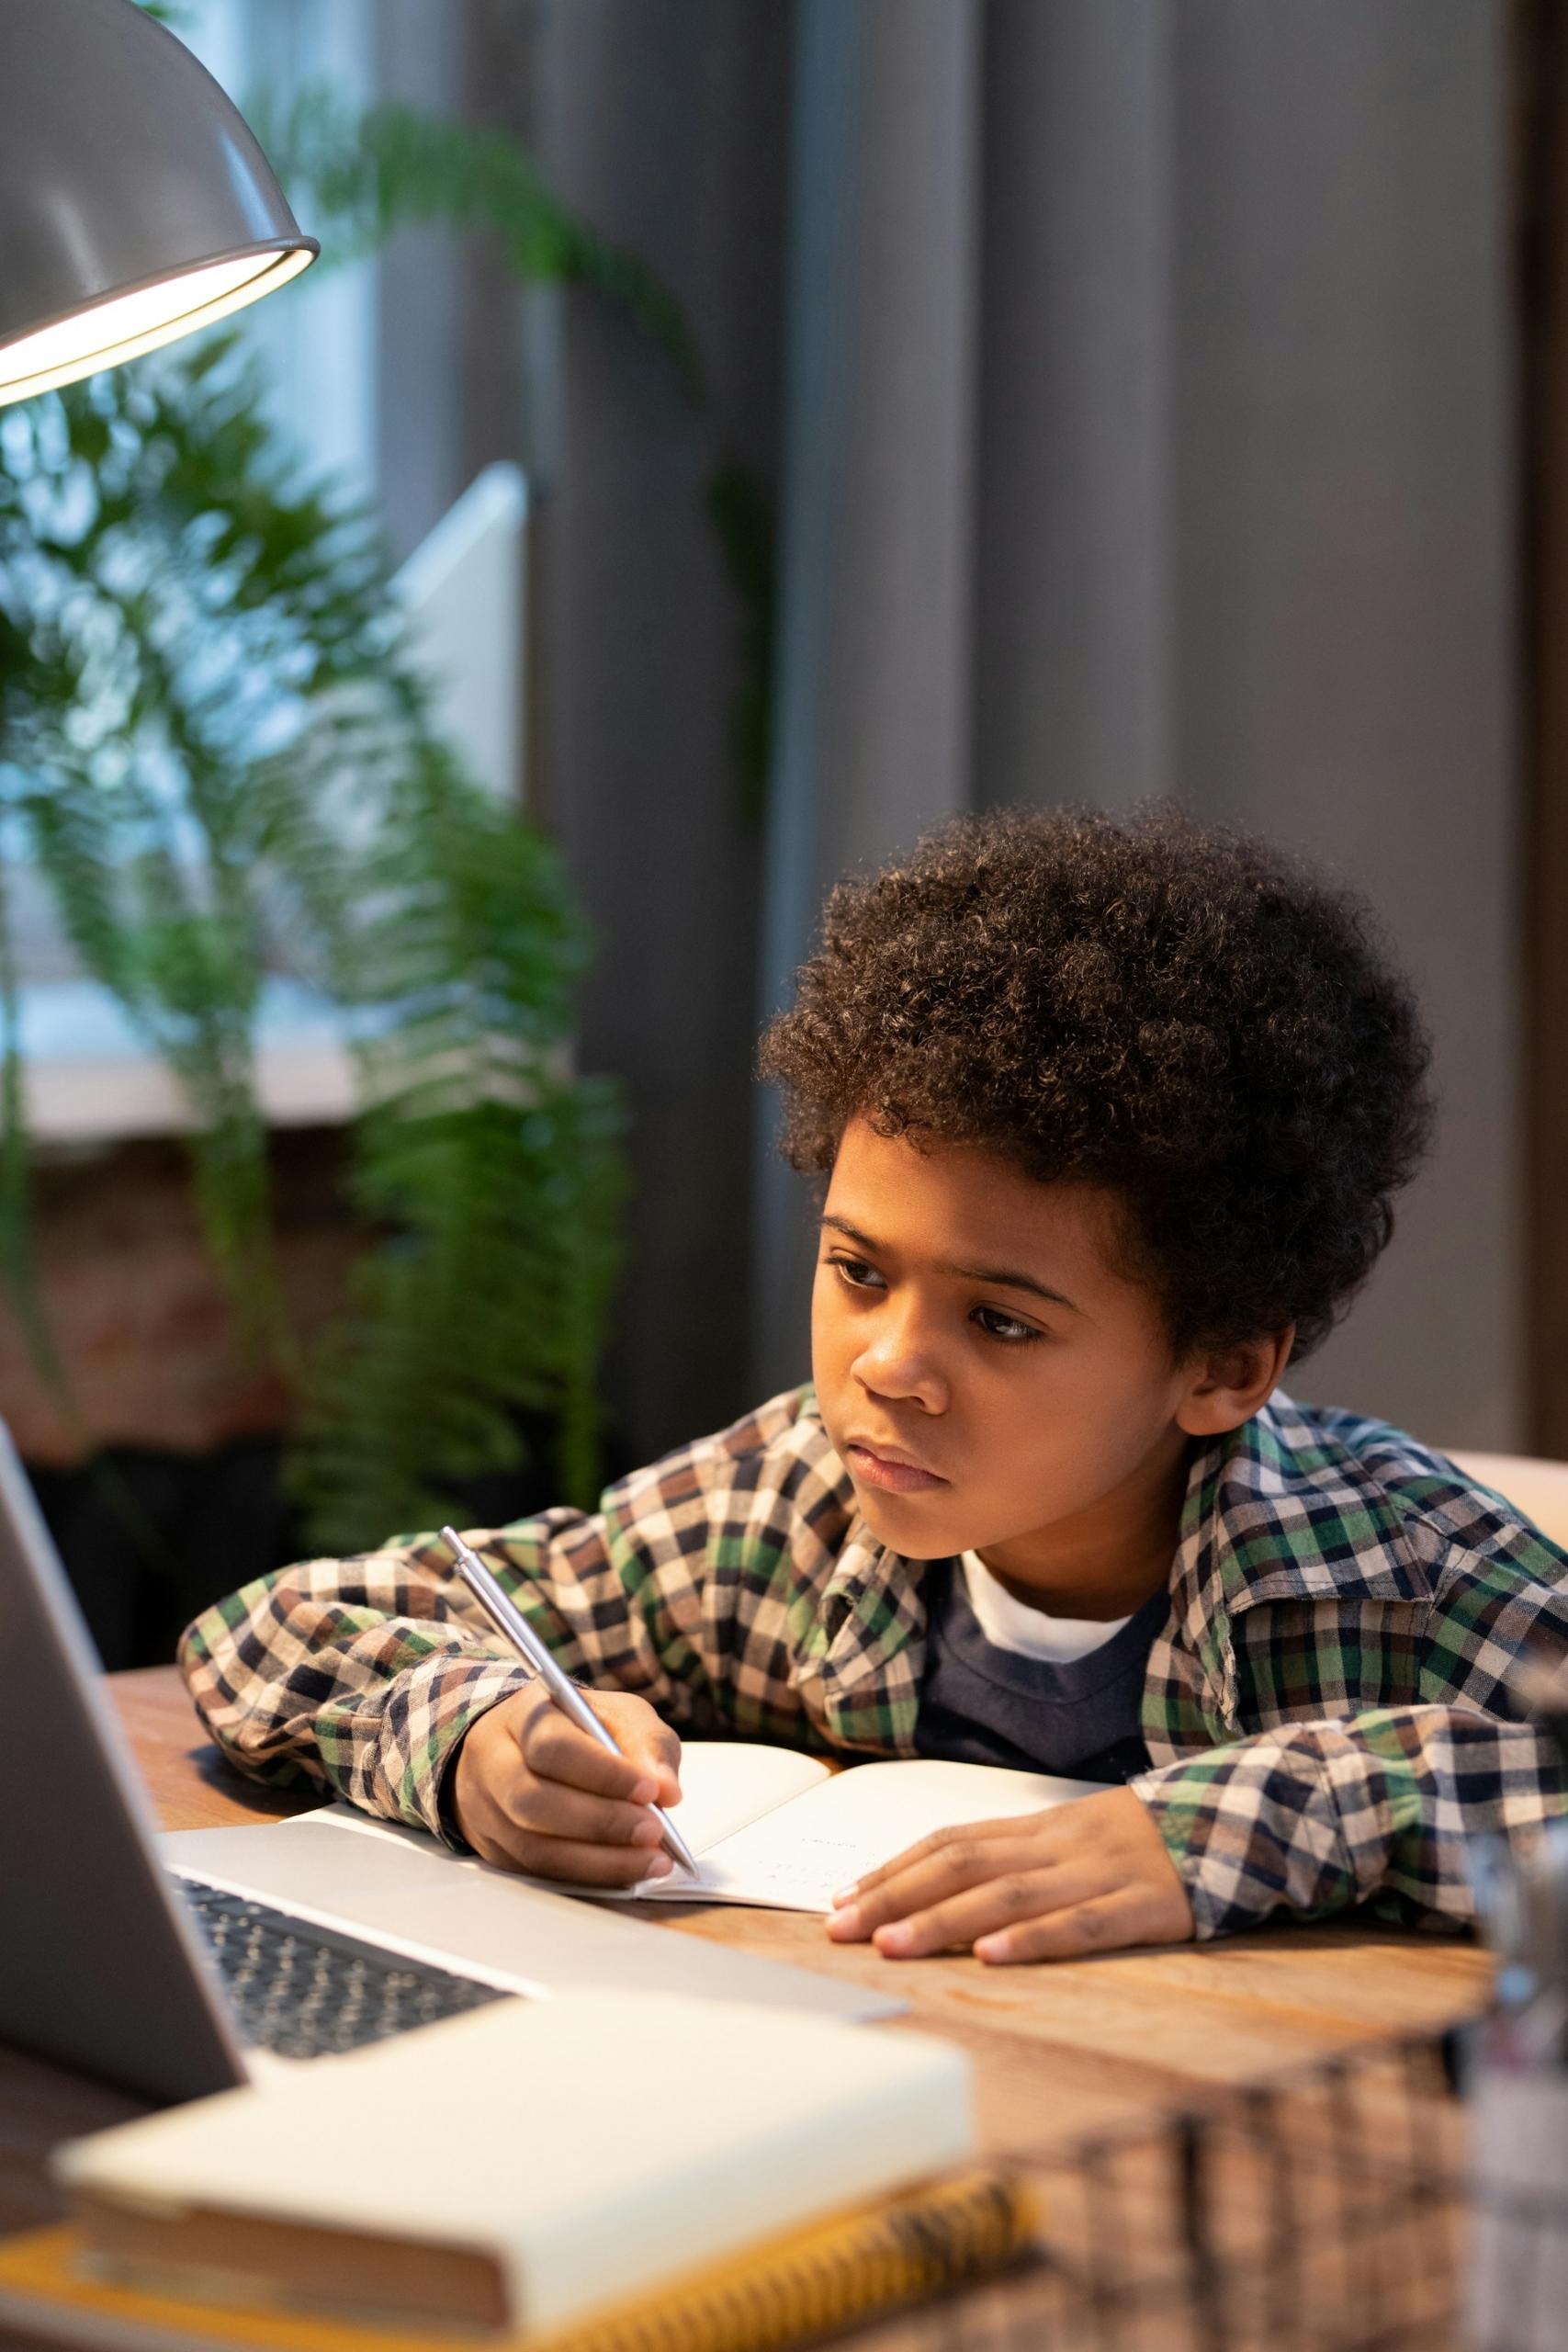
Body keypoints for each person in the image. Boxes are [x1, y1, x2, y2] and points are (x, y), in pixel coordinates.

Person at [180, 806, 1568, 1962]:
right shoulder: (776, 1510)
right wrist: (477, 1733)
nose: (890, 1367)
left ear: (1220, 1367)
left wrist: (1247, 1824)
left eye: (1003, 1323)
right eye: (857, 1271)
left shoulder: (1402, 1583)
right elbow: (274, 1626)